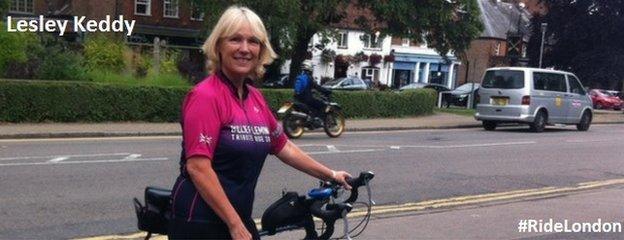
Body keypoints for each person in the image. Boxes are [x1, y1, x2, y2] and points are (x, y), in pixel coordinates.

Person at [167, 6, 352, 240]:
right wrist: (235, 225)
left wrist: (331, 174)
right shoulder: (205, 97)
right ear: (219, 46)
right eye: (235, 39)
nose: (245, 49)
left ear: (261, 50)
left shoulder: (254, 97)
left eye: (253, 42)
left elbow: (284, 147)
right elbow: (198, 167)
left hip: (237, 215)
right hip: (200, 220)